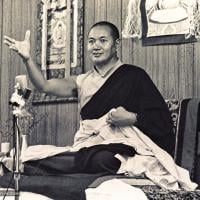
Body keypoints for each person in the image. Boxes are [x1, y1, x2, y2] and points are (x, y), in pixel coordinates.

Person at [4, 21, 175, 174]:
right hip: (88, 145)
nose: (96, 46)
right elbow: (44, 86)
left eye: (103, 40)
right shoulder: (82, 81)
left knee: (105, 159)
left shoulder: (134, 76)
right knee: (38, 154)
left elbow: (163, 121)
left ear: (116, 44)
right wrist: (27, 58)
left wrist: (132, 118)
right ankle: (40, 163)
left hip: (120, 146)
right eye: (91, 41)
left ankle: (43, 165)